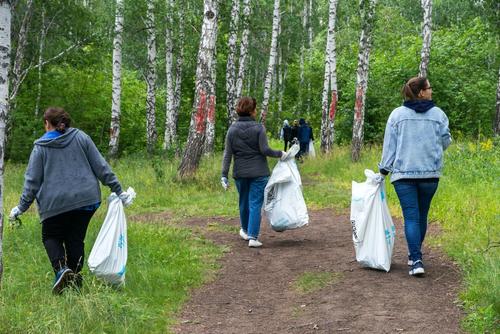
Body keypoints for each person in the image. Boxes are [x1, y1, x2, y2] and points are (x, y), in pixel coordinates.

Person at [9, 107, 133, 294]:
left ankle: (61, 270)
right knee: (75, 238)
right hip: (86, 200)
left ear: (47, 124)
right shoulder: (81, 137)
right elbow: (101, 166)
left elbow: (32, 181)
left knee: (51, 236)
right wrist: (118, 190)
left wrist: (21, 207)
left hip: (55, 204)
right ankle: (74, 280)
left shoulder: (41, 147)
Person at [378, 77, 451, 276]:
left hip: (403, 175)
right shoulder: (438, 114)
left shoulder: (397, 115)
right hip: (430, 174)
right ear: (421, 92)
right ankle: (415, 255)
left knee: (411, 217)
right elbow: (445, 142)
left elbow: (389, 145)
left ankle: (416, 259)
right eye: (429, 88)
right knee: (421, 215)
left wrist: (384, 169)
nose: (431, 91)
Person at [221, 97, 288, 247]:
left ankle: (245, 230)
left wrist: (224, 175)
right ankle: (252, 237)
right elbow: (264, 150)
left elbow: (227, 154)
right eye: (255, 109)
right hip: (259, 173)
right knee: (255, 203)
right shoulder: (259, 128)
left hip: (240, 173)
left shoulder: (232, 129)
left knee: (243, 202)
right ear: (251, 111)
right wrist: (280, 153)